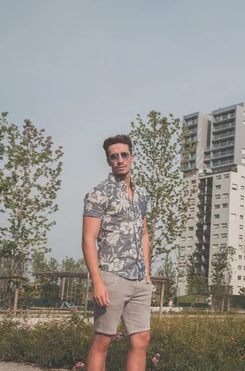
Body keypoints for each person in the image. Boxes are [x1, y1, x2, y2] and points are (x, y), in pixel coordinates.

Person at [82, 134, 152, 371]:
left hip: (139, 279)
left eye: (124, 155)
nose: (120, 160)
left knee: (141, 340)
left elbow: (143, 233)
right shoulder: (99, 193)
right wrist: (97, 281)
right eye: (114, 156)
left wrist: (148, 273)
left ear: (131, 157)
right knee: (103, 340)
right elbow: (88, 239)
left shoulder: (141, 195)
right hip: (111, 276)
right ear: (109, 161)